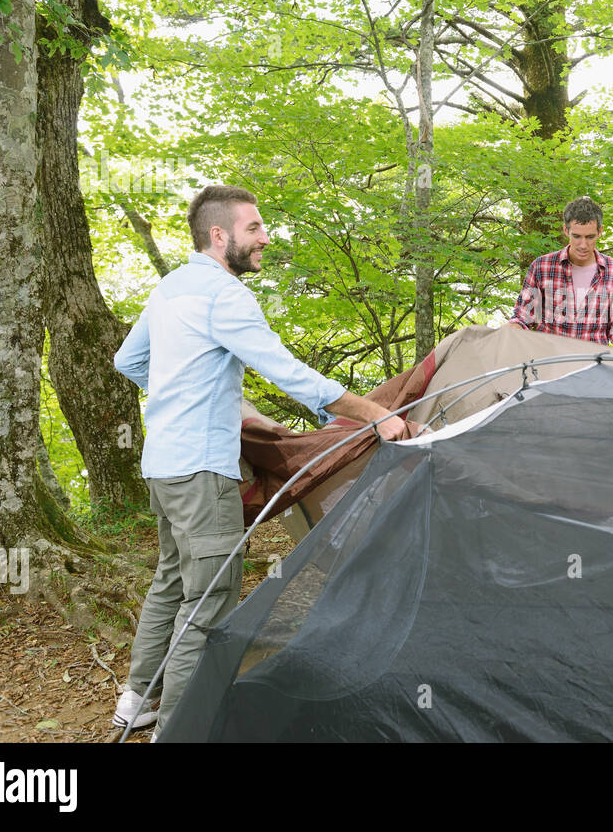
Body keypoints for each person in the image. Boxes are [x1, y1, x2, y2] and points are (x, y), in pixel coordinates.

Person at [110, 184, 408, 738]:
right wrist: (372, 413)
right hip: (202, 470)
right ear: (219, 235)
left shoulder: (172, 287)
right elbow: (288, 372)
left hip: (163, 464)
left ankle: (137, 702)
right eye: (254, 228)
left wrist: (209, 399)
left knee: (171, 582)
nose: (264, 237)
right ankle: (179, 727)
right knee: (209, 600)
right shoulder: (225, 296)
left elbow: (129, 361)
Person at [506, 196, 613, 355]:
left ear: (600, 232)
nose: (583, 245)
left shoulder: (612, 270)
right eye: (577, 236)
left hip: (594, 367)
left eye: (590, 237)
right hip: (550, 363)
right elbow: (522, 318)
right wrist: (508, 329)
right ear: (566, 230)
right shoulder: (542, 266)